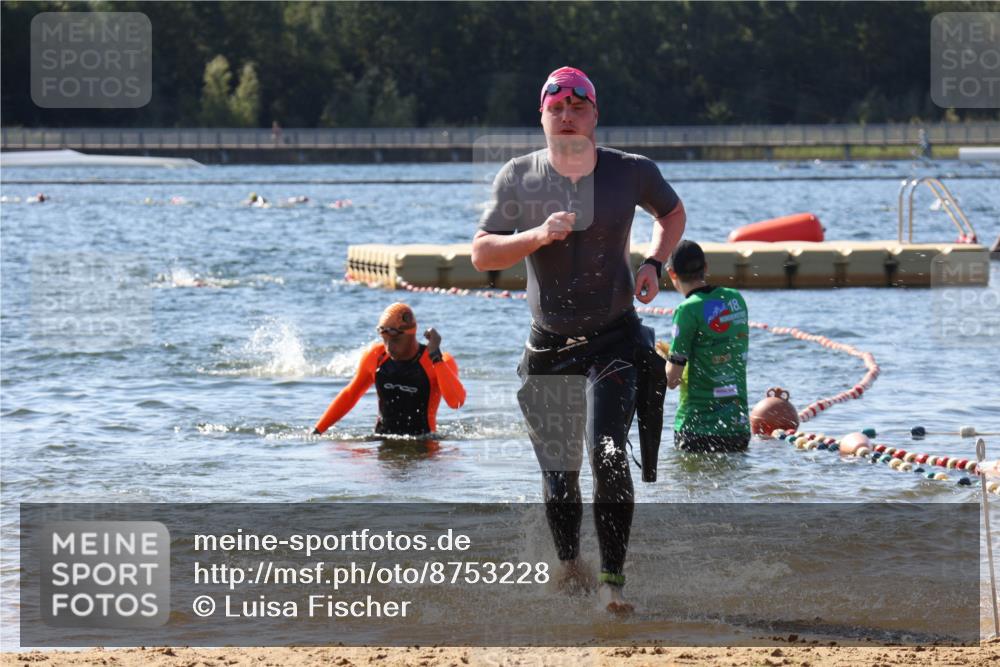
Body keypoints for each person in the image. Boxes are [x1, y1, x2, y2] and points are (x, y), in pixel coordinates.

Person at [471, 66, 686, 614]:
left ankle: (613, 584)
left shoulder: (630, 171)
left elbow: (672, 212)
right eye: (556, 108)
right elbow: (483, 254)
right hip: (548, 347)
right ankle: (570, 566)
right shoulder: (518, 177)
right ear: (542, 117)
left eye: (578, 107)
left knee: (608, 452)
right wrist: (538, 234)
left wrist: (655, 263)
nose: (567, 117)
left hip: (614, 340)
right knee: (559, 476)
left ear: (595, 115)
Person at [312, 303, 465, 437]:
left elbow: (456, 403)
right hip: (383, 442)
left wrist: (436, 357)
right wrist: (317, 431)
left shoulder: (438, 360)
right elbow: (350, 395)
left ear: (410, 334)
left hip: (424, 445)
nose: (389, 347)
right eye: (385, 339)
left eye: (395, 340)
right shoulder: (376, 356)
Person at [665, 241, 751, 452]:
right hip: (737, 428)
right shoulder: (735, 299)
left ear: (671, 273)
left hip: (697, 429)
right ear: (706, 267)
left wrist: (662, 358)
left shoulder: (687, 310)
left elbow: (672, 379)